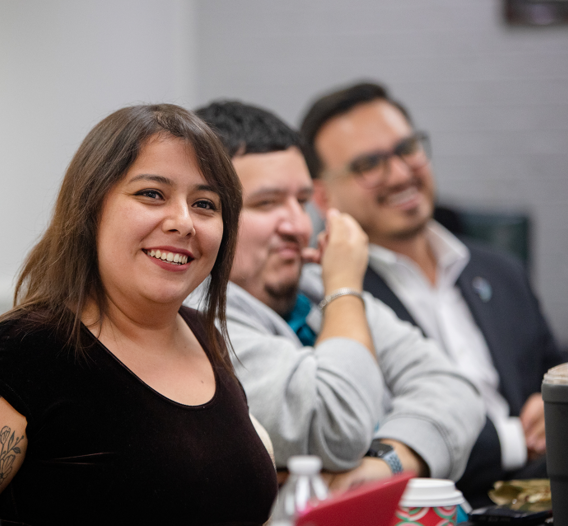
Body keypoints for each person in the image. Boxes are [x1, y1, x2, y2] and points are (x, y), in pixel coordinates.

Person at [0, 104, 278, 526]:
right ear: (91, 208)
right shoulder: (17, 356)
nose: (184, 222)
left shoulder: (205, 335)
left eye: (205, 204)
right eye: (152, 194)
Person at [192, 100, 484, 491]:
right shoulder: (198, 319)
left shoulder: (313, 286)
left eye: (300, 201)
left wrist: (385, 465)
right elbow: (335, 429)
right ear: (207, 212)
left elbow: (455, 390)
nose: (298, 226)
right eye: (266, 203)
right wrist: (345, 287)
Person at [300, 81, 563, 505]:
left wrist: (555, 410)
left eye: (407, 148)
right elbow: (366, 436)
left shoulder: (500, 270)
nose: (402, 173)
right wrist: (518, 438)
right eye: (369, 164)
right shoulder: (327, 297)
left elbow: (556, 382)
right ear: (322, 195)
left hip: (547, 501)